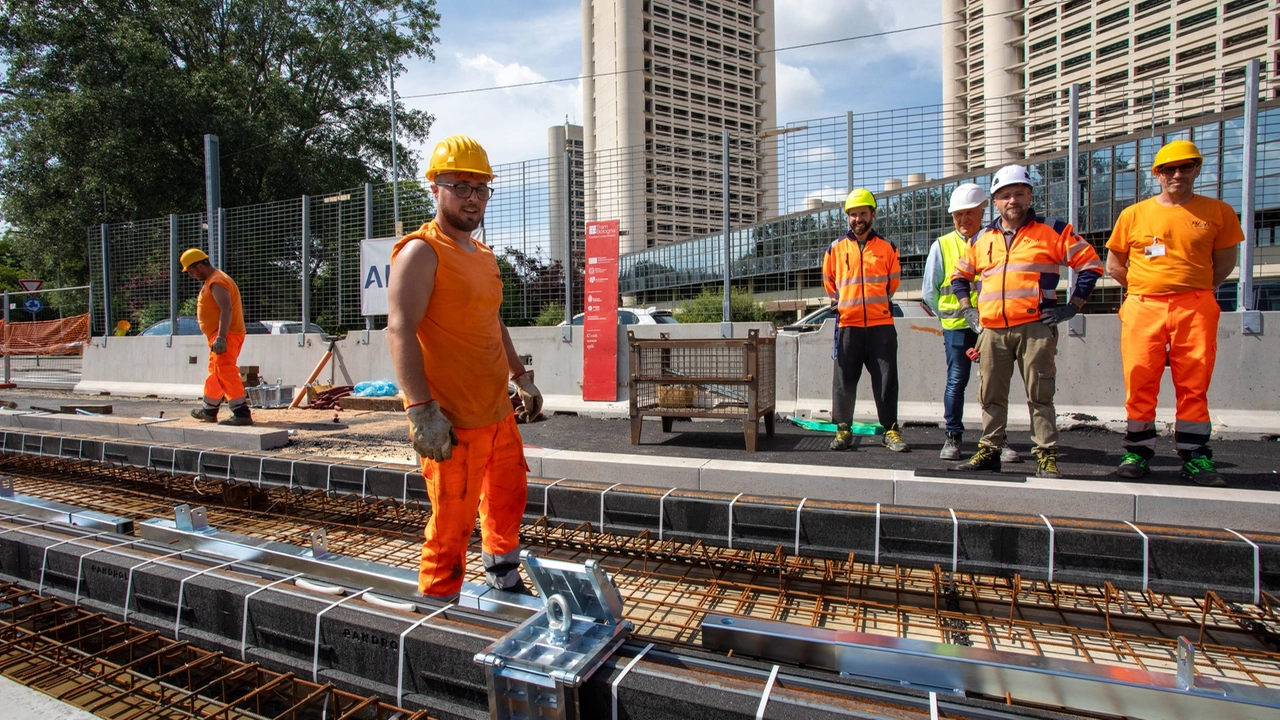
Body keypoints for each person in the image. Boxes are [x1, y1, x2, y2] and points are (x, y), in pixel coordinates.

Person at [387, 134, 543, 598]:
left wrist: (522, 377)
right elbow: (400, 329)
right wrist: (420, 410)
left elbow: (492, 321)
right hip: (452, 420)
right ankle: (438, 606)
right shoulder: (421, 251)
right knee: (452, 521)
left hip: (497, 413)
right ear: (435, 188)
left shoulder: (485, 256)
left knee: (507, 500)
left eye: (481, 189)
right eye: (460, 186)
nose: (472, 198)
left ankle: (502, 575)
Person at [950, 165, 1104, 478]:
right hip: (992, 330)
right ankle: (990, 450)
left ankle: (1046, 454)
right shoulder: (982, 238)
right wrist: (968, 309)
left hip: (1035, 328)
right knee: (990, 394)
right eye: (1005, 195)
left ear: (1030, 195)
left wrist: (1071, 307)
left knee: (1040, 393)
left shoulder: (1053, 231)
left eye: (1019, 193)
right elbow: (959, 276)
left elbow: (1090, 264)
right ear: (995, 201)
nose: (1012, 200)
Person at [1105, 140, 1241, 487]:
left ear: (1197, 169)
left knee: (1194, 381)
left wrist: (1194, 287)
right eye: (1169, 169)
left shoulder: (1218, 212)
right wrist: (1144, 287)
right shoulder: (1133, 214)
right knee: (1139, 379)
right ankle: (1137, 450)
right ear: (1158, 174)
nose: (1177, 174)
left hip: (1195, 306)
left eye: (1185, 167)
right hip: (1143, 306)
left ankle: (1195, 456)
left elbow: (1225, 262)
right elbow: (1115, 265)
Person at [921, 183, 1017, 464]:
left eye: (969, 213)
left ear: (982, 211)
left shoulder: (997, 241)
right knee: (956, 381)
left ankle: (997, 439)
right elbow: (930, 291)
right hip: (957, 328)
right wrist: (949, 317)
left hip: (991, 325)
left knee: (994, 384)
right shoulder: (942, 245)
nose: (963, 220)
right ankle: (953, 436)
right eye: (958, 215)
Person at [823, 188, 908, 452]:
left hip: (881, 326)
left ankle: (890, 430)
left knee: (885, 381)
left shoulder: (887, 248)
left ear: (873, 214)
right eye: (852, 214)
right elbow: (829, 283)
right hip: (848, 325)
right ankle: (843, 431)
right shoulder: (835, 249)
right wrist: (847, 306)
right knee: (844, 381)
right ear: (847, 217)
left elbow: (892, 284)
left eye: (862, 213)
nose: (857, 219)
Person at [182, 249, 253, 426]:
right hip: (221, 335)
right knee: (216, 372)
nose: (191, 275)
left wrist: (221, 337)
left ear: (199, 266)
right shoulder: (212, 280)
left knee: (225, 370)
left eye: (191, 271)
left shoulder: (217, 281)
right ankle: (209, 411)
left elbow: (226, 309)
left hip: (226, 334)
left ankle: (241, 413)